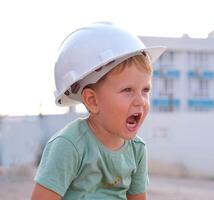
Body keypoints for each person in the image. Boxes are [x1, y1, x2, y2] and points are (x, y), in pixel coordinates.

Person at [31, 22, 166, 200]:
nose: (141, 100)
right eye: (127, 90)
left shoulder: (137, 150)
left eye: (145, 90)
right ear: (93, 101)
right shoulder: (69, 146)